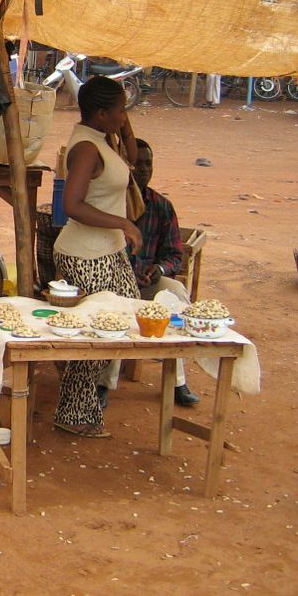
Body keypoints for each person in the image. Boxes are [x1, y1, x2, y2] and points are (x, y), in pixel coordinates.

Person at [51, 76, 142, 438]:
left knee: (120, 326)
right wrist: (122, 221)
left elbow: (131, 161)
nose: (124, 115)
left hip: (107, 249)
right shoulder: (87, 148)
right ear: (102, 113)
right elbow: (71, 205)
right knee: (99, 334)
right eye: (120, 110)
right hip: (85, 255)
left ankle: (81, 405)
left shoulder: (103, 139)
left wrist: (124, 123)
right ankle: (73, 413)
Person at [98, 138, 201, 407]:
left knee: (176, 291)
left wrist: (159, 269)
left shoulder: (162, 206)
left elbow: (174, 255)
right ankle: (103, 384)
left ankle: (177, 381)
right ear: (125, 169)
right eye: (137, 164)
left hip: (147, 282)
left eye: (148, 164)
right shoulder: (111, 205)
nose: (143, 170)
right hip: (115, 283)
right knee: (118, 308)